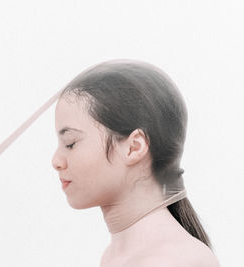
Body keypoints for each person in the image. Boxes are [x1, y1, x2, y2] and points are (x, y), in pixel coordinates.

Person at [51, 59, 221, 266]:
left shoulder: (174, 260)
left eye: (70, 143)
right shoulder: (116, 256)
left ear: (134, 147)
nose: (56, 161)